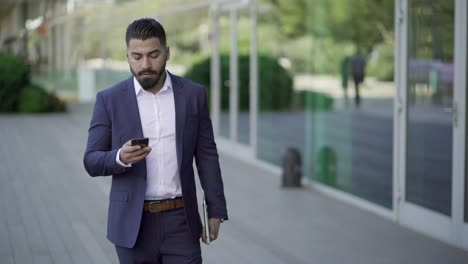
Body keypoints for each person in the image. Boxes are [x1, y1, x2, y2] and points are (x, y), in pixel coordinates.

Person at [83, 18, 228, 264]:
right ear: (127, 56)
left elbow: (206, 155)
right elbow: (91, 160)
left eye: (153, 55)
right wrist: (119, 157)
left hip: (181, 222)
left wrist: (216, 209)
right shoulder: (109, 100)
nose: (146, 64)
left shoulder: (193, 95)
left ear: (167, 52)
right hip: (133, 225)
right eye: (137, 57)